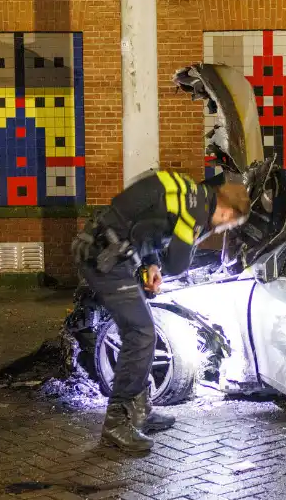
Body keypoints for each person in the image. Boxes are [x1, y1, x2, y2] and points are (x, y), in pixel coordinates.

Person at [72, 170, 251, 453]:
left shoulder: (190, 195)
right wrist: (171, 259)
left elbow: (146, 226)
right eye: (227, 223)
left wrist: (152, 264)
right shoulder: (195, 212)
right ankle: (116, 424)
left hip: (113, 251)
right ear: (227, 211)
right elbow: (178, 264)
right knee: (140, 334)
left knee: (144, 330)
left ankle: (140, 410)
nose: (222, 228)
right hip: (103, 259)